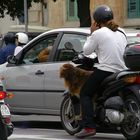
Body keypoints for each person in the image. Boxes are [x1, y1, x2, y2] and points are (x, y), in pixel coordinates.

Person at [75, 5, 127, 138]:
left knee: (85, 93)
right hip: (123, 71)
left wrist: (92, 32)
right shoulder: (121, 32)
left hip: (106, 70)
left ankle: (89, 127)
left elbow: (86, 51)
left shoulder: (98, 33)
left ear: (96, 21)